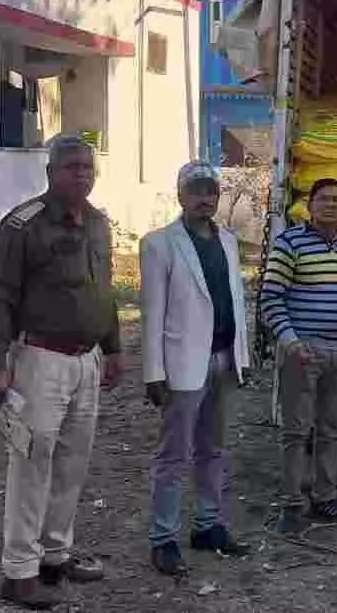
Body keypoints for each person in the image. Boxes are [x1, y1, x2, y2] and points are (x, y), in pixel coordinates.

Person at [0, 132, 124, 610]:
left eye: (87, 167)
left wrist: (113, 349)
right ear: (50, 172)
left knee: (72, 463)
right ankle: (19, 572)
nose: (82, 174)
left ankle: (54, 555)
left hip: (87, 361)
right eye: (71, 167)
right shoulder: (24, 225)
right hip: (40, 360)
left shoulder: (98, 223)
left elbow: (104, 291)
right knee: (32, 464)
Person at [140, 161, 252, 578]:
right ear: (181, 196)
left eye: (211, 192)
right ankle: (163, 538)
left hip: (222, 357)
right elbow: (152, 313)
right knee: (173, 455)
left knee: (213, 449)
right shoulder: (159, 244)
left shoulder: (228, 241)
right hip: (183, 364)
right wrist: (153, 371)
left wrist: (241, 358)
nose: (205, 199)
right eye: (197, 191)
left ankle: (208, 525)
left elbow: (235, 301)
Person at [259, 178, 337, 535]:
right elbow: (270, 297)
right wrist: (291, 342)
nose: (330, 205)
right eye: (323, 199)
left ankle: (325, 498)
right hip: (302, 350)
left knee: (331, 430)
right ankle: (291, 504)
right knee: (296, 431)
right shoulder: (290, 243)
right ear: (309, 205)